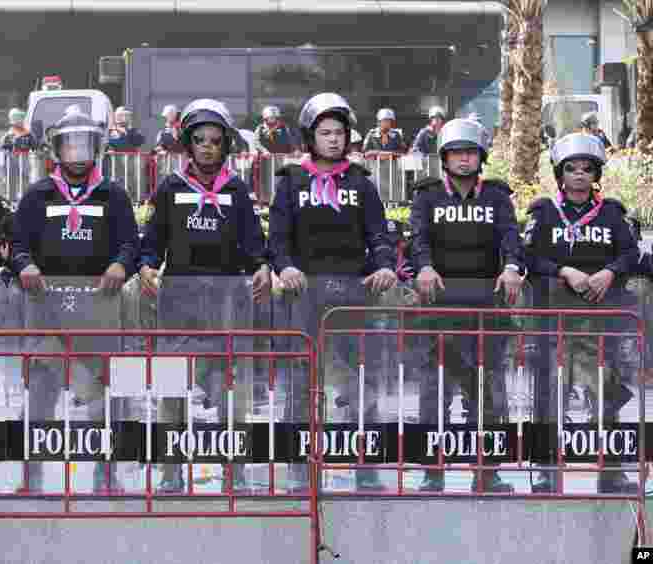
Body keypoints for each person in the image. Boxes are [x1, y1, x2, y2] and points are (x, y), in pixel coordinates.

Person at [137, 98, 271, 493]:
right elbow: (151, 242)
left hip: (228, 304)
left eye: (215, 140)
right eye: (200, 139)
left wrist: (262, 265)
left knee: (232, 388)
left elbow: (254, 244)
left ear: (226, 144)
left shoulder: (237, 189)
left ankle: (237, 470)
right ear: (188, 144)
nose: (208, 146)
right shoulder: (170, 187)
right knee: (172, 389)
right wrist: (146, 265)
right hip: (178, 303)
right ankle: (170, 470)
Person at [269, 92, 397, 492]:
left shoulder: (361, 181)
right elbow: (277, 238)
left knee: (361, 378)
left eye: (340, 132)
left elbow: (379, 234)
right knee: (300, 378)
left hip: (352, 290)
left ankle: (364, 464)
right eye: (325, 132)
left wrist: (384, 265)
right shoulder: (291, 181)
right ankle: (298, 465)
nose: (334, 140)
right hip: (303, 291)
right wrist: (284, 266)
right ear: (311, 136)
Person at [10, 108, 139, 493]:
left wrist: (120, 264)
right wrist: (25, 265)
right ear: (57, 149)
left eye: (86, 144)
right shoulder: (36, 194)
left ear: (97, 148)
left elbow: (131, 243)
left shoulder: (114, 194)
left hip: (100, 308)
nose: (78, 152)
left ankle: (106, 473)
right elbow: (16, 245)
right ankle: (31, 476)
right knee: (41, 392)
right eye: (71, 144)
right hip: (46, 309)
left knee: (102, 391)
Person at [409, 117, 525, 493]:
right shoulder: (427, 195)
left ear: (481, 157)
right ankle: (432, 471)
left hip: (487, 309)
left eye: (470, 152)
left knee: (486, 393)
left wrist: (510, 267)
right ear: (444, 157)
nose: (463, 160)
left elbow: (512, 238)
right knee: (435, 392)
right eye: (456, 152)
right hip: (439, 309)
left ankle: (488, 471)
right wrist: (423, 266)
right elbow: (419, 239)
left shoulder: (496, 196)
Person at [523, 133, 639, 494]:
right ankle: (545, 468)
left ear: (596, 174)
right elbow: (527, 256)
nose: (579, 175)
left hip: (599, 319)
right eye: (571, 168)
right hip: (553, 318)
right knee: (549, 395)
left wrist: (610, 272)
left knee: (605, 393)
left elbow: (631, 254)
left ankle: (611, 468)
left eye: (587, 169)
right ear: (560, 174)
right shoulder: (543, 211)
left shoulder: (612, 213)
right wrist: (564, 271)